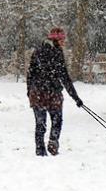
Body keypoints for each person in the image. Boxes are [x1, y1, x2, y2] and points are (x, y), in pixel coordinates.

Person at [27, 27, 83, 156]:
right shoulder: (57, 53)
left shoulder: (37, 51)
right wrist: (76, 98)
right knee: (57, 119)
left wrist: (29, 91)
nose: (64, 42)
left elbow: (30, 73)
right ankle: (53, 141)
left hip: (37, 92)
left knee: (40, 123)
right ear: (57, 40)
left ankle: (40, 150)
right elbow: (64, 77)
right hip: (52, 93)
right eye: (62, 39)